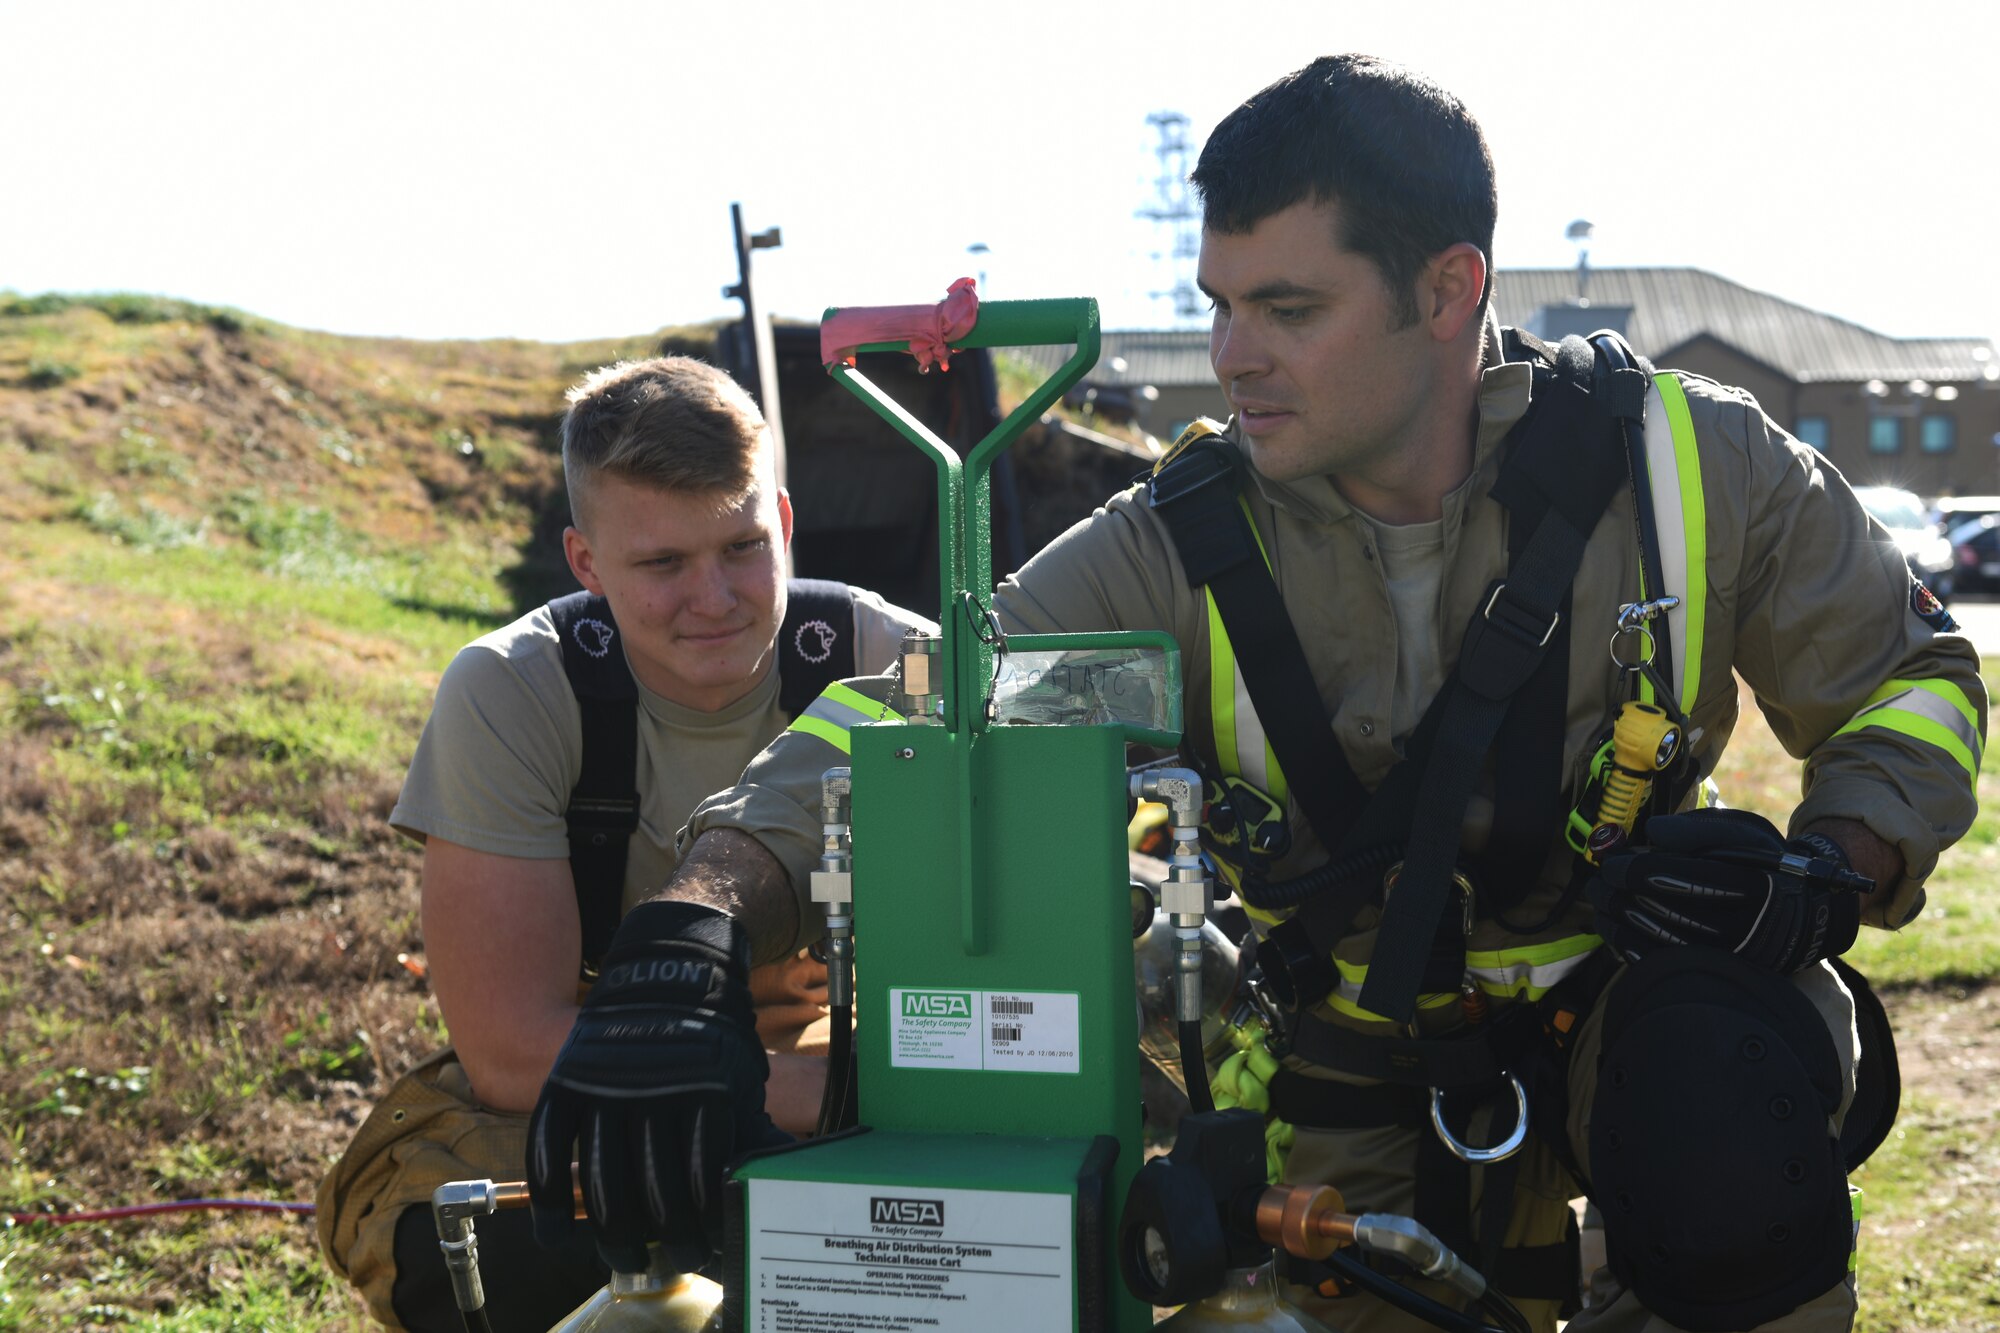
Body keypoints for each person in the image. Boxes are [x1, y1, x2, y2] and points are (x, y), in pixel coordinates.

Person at [525, 58, 1984, 1333]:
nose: (1232, 355)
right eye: (1221, 305)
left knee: (1728, 1112)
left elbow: (1912, 682)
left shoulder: (1692, 467)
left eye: (1288, 307)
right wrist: (691, 924)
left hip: (1644, 1016)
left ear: (1447, 289)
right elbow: (911, 724)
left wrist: (1818, 873)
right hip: (1332, 1061)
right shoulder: (1169, 541)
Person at [313, 355, 933, 1333]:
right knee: (466, 1239)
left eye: (741, 546)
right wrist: (827, 1100)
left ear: (785, 519)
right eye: (661, 564)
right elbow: (514, 1049)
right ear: (585, 562)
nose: (715, 597)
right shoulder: (511, 691)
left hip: (858, 1060)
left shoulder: (902, 668)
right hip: (619, 1074)